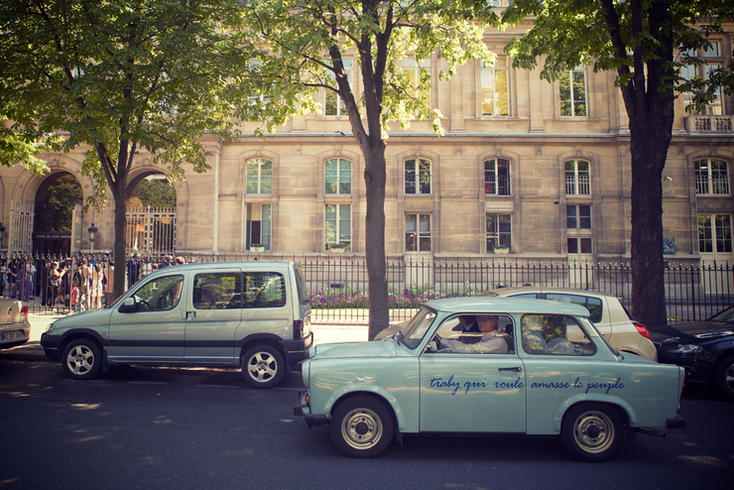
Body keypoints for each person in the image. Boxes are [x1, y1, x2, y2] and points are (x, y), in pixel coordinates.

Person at [435, 315, 509, 354]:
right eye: (479, 319)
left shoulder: (497, 342)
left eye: (486, 319)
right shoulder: (482, 336)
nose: (481, 322)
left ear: (494, 322)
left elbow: (470, 350)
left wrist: (442, 340)